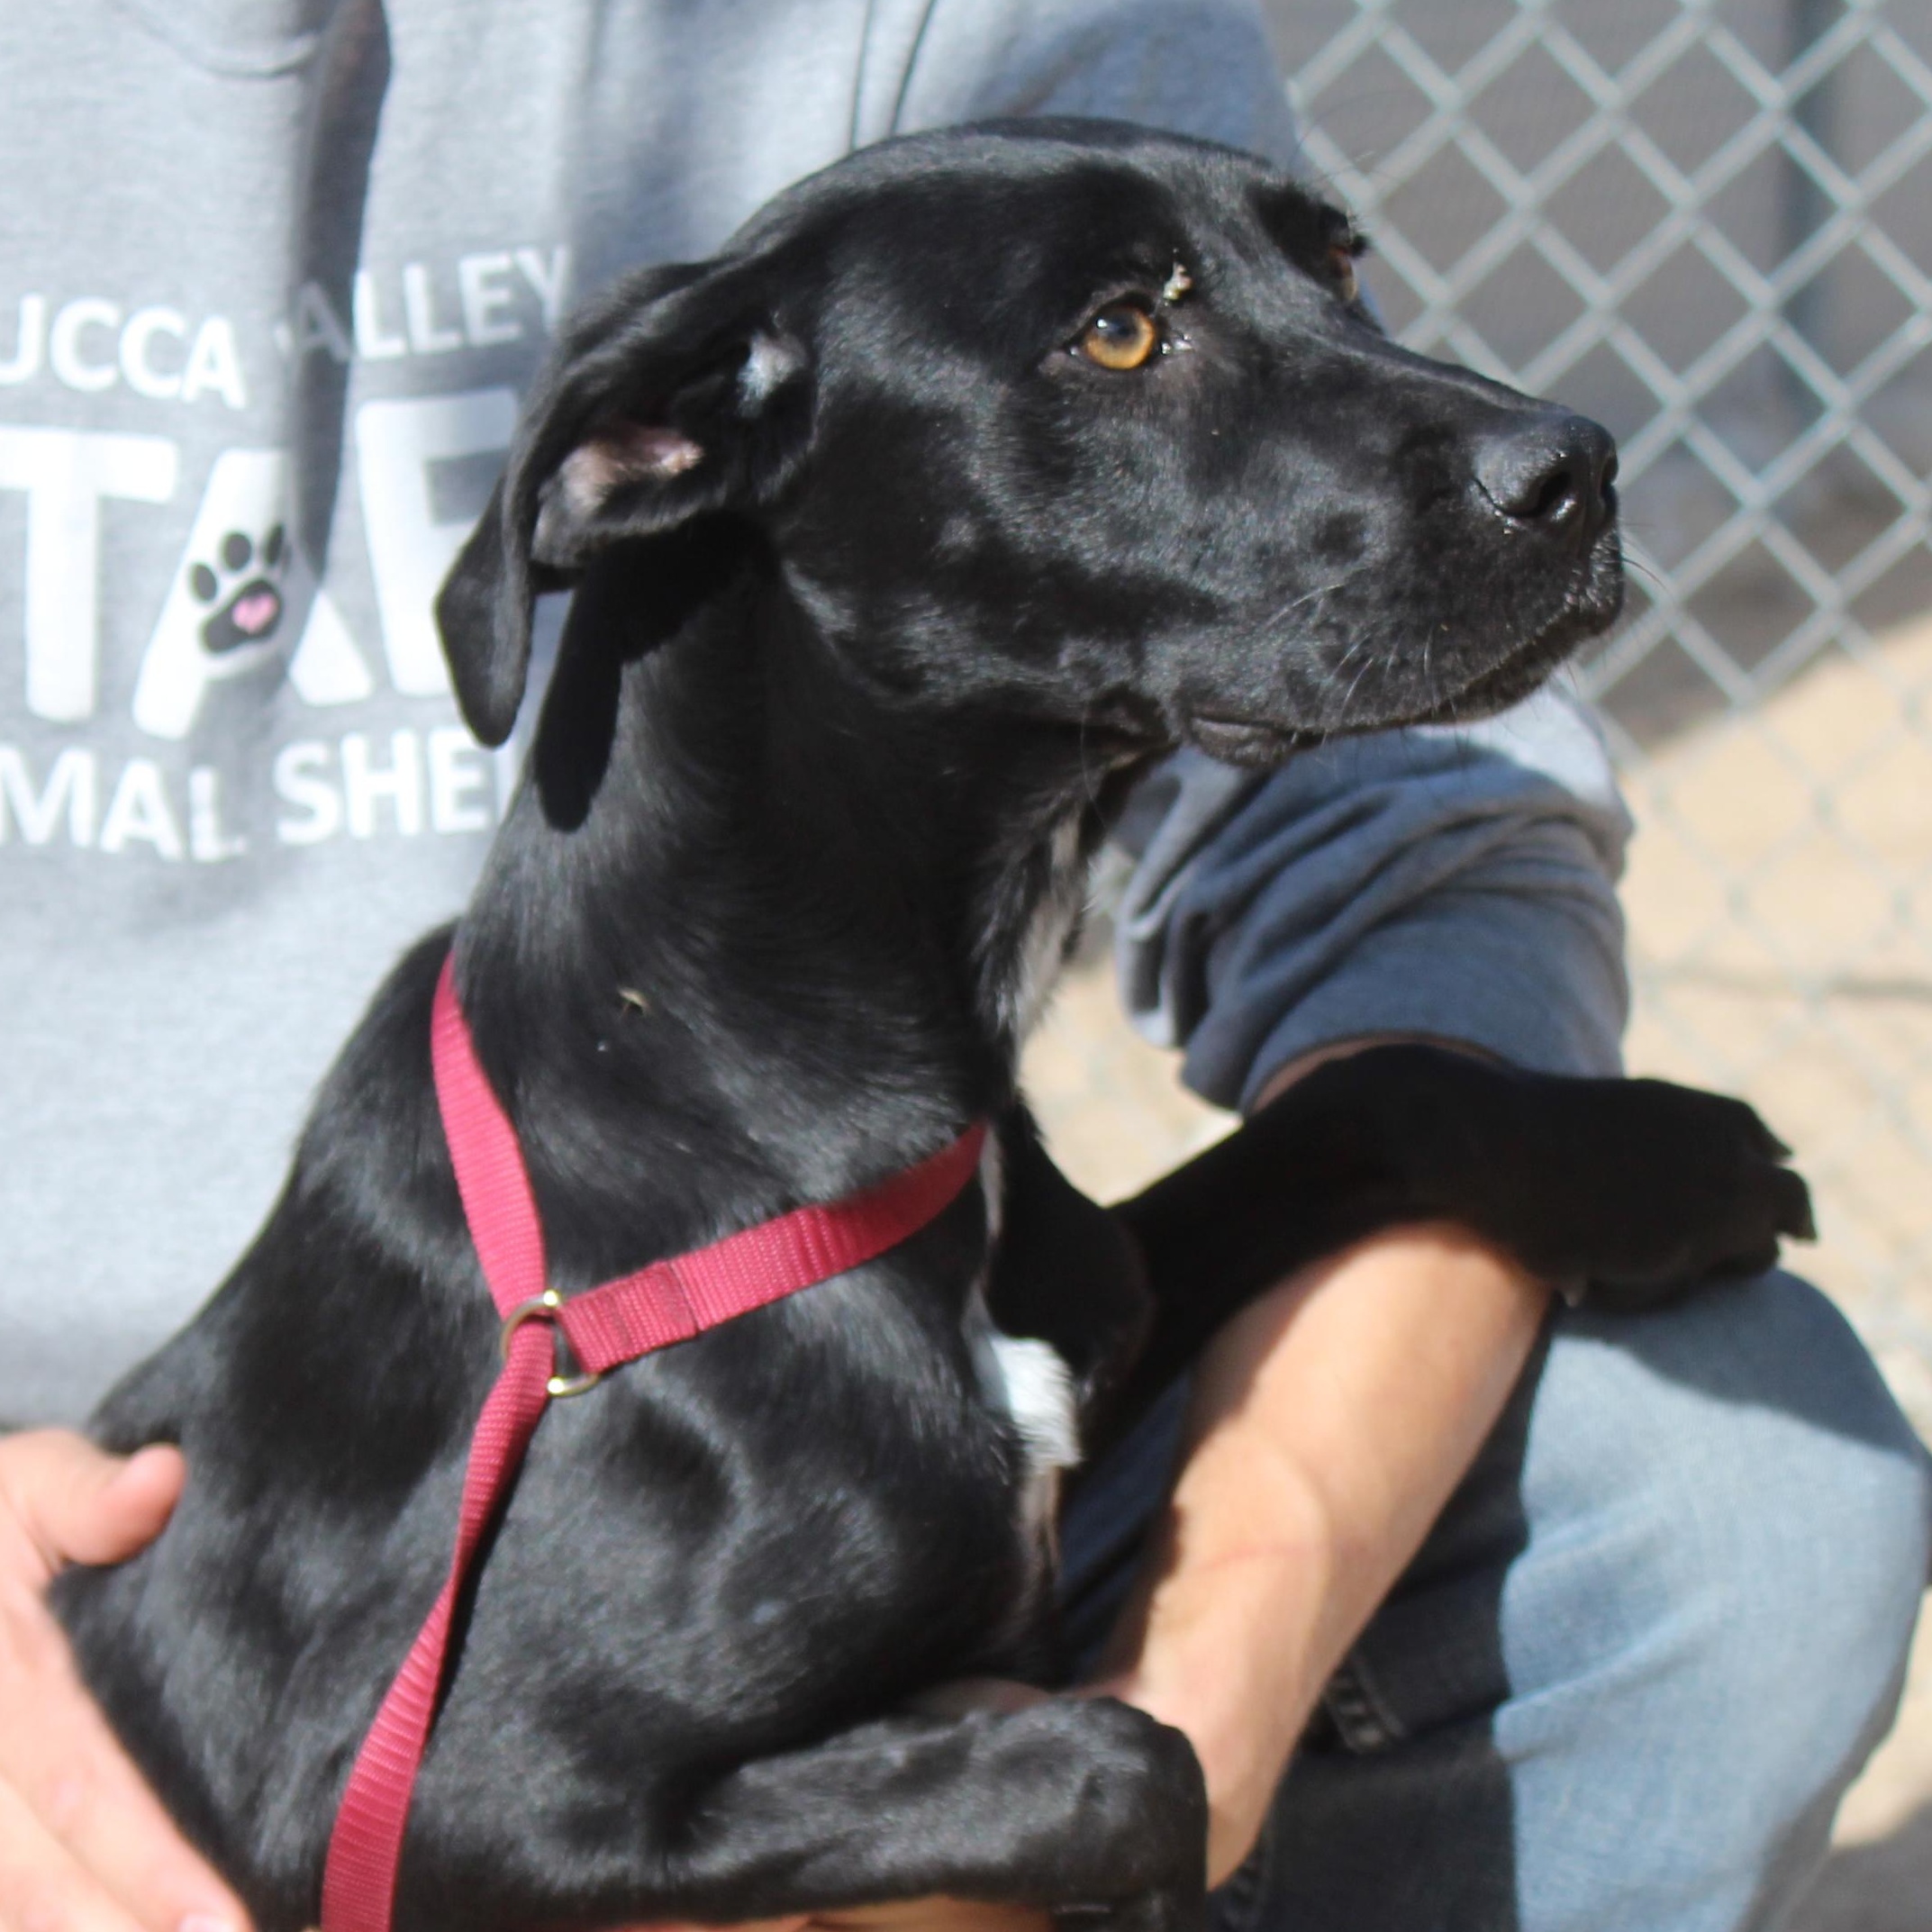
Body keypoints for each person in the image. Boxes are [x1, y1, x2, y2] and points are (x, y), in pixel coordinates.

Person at [1, 5, 1926, 1930]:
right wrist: (1054, 1784)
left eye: (1322, 278)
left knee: (1736, 1488)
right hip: (216, 1612)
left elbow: (1400, 859)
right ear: (645, 458)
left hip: (865, 1481)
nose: (1513, 437)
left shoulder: (956, 26)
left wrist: (1196, 1705)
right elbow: (485, 1795)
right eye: (1122, 336)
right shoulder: (667, 1284)